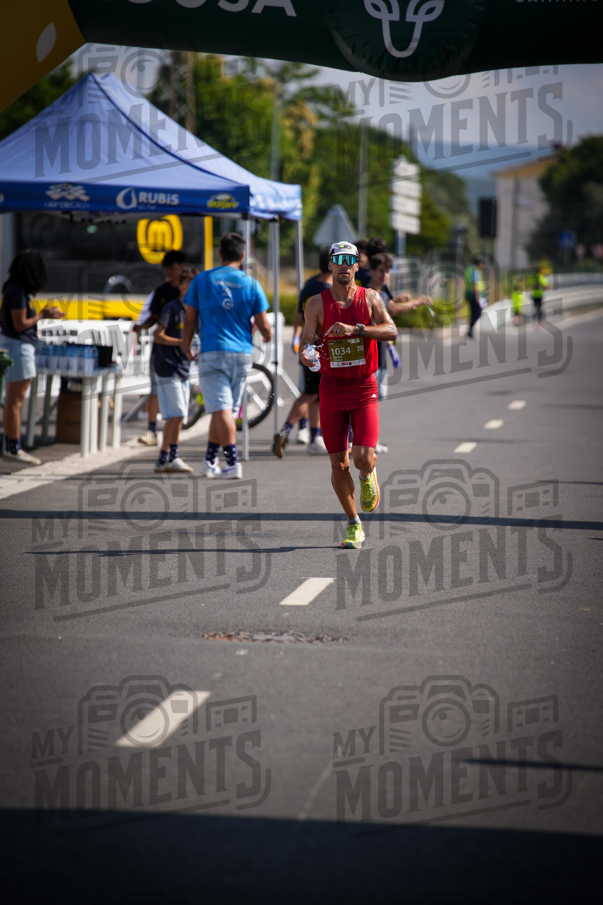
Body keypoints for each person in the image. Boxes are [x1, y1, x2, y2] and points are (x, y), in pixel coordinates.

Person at [300, 241, 400, 549]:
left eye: (350, 260)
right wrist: (308, 356)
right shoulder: (316, 303)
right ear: (329, 266)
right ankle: (354, 524)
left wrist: (357, 330)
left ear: (358, 266)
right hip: (331, 388)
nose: (344, 264)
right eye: (338, 259)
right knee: (338, 464)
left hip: (363, 387)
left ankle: (368, 473)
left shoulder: (371, 298)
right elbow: (305, 343)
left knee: (360, 458)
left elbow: (391, 330)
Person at [183, 232, 272, 480]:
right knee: (224, 410)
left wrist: (186, 346)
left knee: (221, 409)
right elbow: (264, 326)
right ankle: (209, 461)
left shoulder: (202, 280)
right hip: (242, 354)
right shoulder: (252, 284)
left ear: (219, 253)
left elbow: (189, 319)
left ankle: (232, 463)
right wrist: (267, 336)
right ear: (242, 256)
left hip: (212, 351)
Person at [0, 249, 63, 465]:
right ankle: (13, 447)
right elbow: (20, 324)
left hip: (14, 346)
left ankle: (11, 445)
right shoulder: (17, 291)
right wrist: (42, 315)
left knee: (11, 401)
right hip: (18, 348)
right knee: (15, 402)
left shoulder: (13, 288)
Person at [273, 246, 332, 457]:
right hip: (321, 348)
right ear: (331, 265)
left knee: (314, 394)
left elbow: (299, 316)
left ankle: (315, 437)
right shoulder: (329, 291)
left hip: (307, 346)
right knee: (309, 394)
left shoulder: (308, 286)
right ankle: (286, 431)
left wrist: (297, 339)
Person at [133, 250, 187, 446]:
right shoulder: (162, 292)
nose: (169, 272)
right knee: (156, 391)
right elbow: (154, 318)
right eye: (166, 268)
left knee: (179, 407)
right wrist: (140, 327)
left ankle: (170, 446)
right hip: (162, 353)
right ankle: (153, 431)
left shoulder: (190, 294)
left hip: (183, 355)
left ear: (181, 265)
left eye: (171, 268)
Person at [152, 268, 198, 474]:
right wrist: (182, 342)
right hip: (166, 366)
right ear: (180, 286)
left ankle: (163, 459)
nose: (191, 288)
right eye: (187, 284)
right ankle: (173, 457)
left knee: (174, 416)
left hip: (183, 367)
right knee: (179, 413)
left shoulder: (195, 311)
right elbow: (158, 335)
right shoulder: (172, 308)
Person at [464, 255, 487, 338]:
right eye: (481, 263)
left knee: (473, 313)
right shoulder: (475, 270)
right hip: (474, 295)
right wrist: (477, 297)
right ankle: (470, 330)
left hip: (469, 293)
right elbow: (474, 283)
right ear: (478, 263)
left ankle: (470, 331)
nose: (482, 265)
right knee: (477, 313)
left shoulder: (469, 269)